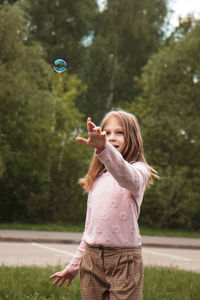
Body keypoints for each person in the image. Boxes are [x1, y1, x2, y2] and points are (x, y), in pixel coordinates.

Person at [49, 110, 158, 299]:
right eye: (107, 133)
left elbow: (127, 177)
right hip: (91, 260)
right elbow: (90, 230)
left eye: (119, 132)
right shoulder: (97, 179)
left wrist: (104, 149)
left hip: (125, 261)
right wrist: (73, 267)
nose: (112, 138)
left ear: (132, 137)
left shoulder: (139, 170)